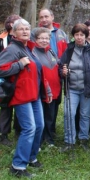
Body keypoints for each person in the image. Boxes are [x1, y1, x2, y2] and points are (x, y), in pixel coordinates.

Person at [0, 18, 52, 178]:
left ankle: (31, 157)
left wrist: (46, 88)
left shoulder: (28, 48)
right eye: (21, 29)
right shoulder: (12, 49)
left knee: (39, 126)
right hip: (21, 95)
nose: (25, 31)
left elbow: (37, 72)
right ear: (14, 32)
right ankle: (18, 166)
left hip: (34, 95)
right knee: (29, 128)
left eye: (27, 28)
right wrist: (19, 64)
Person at [59, 23, 90, 152]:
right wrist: (63, 72)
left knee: (85, 115)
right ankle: (69, 141)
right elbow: (61, 66)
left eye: (82, 35)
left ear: (86, 36)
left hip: (87, 90)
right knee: (68, 114)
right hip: (71, 88)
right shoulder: (68, 50)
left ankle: (83, 139)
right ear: (73, 36)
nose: (79, 37)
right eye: (76, 34)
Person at [34, 8, 68, 140]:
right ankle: (43, 134)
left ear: (52, 17)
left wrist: (64, 69)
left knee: (54, 104)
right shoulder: (35, 33)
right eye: (41, 17)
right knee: (44, 106)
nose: (44, 19)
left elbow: (66, 53)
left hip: (57, 71)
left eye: (46, 16)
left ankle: (51, 131)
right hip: (42, 76)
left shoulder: (61, 34)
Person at [0, 14, 21, 146]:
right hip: (4, 79)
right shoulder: (1, 39)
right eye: (12, 22)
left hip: (19, 77)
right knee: (5, 107)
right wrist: (6, 69)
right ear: (8, 24)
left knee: (20, 104)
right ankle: (3, 135)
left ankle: (19, 131)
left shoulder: (22, 39)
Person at [32, 27, 61, 147]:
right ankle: (38, 141)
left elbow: (57, 65)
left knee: (50, 116)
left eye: (46, 38)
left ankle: (48, 138)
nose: (44, 41)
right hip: (41, 90)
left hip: (55, 89)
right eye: (41, 38)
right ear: (35, 39)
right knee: (40, 117)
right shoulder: (33, 52)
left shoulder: (51, 51)